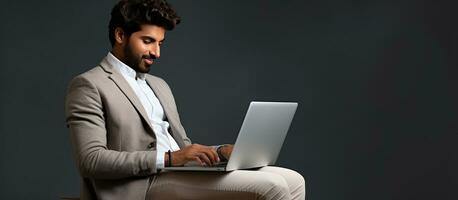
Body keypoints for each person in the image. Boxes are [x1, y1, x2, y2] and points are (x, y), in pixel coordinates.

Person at [64, 0, 306, 199]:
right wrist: (169, 158)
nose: (156, 53)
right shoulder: (89, 85)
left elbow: (183, 149)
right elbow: (91, 160)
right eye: (147, 41)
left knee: (293, 179)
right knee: (273, 188)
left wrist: (221, 152)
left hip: (176, 173)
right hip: (139, 186)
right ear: (120, 35)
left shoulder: (159, 85)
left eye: (160, 43)